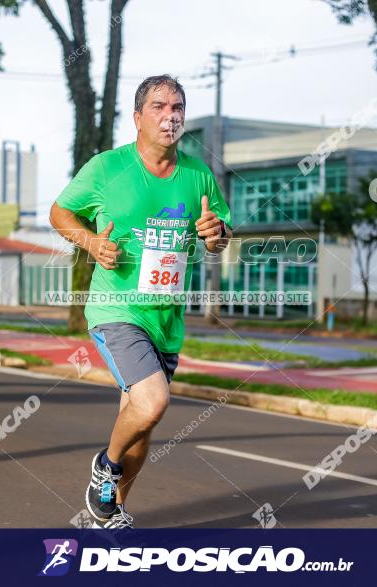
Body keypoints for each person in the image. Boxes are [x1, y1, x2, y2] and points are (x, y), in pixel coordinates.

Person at [50, 74, 233, 529]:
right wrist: (91, 243)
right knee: (152, 402)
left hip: (166, 316)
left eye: (177, 107)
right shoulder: (106, 168)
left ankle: (109, 512)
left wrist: (216, 236)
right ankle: (105, 468)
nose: (170, 116)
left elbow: (220, 235)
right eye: (159, 107)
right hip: (118, 308)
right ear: (138, 117)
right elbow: (60, 212)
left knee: (140, 420)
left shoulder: (198, 174)